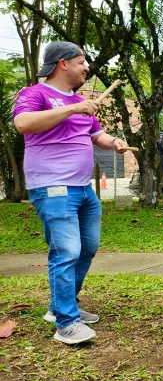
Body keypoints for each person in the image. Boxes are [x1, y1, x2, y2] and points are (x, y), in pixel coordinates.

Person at [13, 41, 129, 345]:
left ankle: (60, 307)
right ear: (63, 63)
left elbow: (95, 135)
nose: (86, 68)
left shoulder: (80, 102)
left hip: (83, 189)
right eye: (82, 62)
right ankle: (66, 323)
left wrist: (113, 141)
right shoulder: (35, 93)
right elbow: (23, 124)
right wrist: (73, 107)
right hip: (52, 187)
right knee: (66, 251)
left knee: (87, 248)